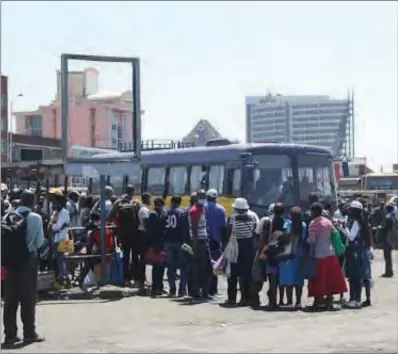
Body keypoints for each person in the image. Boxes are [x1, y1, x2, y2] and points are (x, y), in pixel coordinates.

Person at [3, 190, 45, 346]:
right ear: (33, 202)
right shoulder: (35, 218)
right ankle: (29, 333)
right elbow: (39, 242)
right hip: (27, 260)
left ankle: (10, 335)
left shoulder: (8, 216)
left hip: (9, 261)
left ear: (20, 201)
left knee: (10, 299)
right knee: (28, 298)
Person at [307, 202, 347, 310]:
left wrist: (305, 240)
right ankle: (329, 301)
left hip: (319, 255)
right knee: (330, 279)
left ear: (314, 211)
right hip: (331, 254)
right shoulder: (328, 222)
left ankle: (319, 302)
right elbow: (335, 234)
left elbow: (312, 240)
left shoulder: (313, 223)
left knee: (319, 279)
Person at [225, 198, 257, 306]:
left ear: (236, 208)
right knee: (246, 274)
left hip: (235, 247)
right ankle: (246, 298)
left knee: (233, 274)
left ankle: (232, 298)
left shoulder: (232, 218)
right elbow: (254, 232)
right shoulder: (252, 217)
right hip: (248, 247)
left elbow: (228, 232)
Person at [279, 206, 307, 309]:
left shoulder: (288, 224)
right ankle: (298, 302)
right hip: (299, 253)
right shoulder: (303, 225)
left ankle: (289, 302)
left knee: (288, 279)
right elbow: (304, 238)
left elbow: (285, 237)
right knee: (298, 279)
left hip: (288, 254)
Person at [187, 189, 212, 300]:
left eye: (205, 196)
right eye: (202, 196)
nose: (204, 199)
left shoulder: (202, 209)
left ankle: (203, 292)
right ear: (197, 198)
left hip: (203, 241)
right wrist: (194, 248)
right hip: (198, 243)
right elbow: (194, 229)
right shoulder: (194, 211)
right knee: (199, 269)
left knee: (206, 269)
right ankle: (197, 292)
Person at [204, 189, 227, 296]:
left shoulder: (203, 208)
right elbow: (224, 227)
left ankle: (204, 288)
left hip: (204, 240)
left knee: (203, 265)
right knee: (215, 266)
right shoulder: (221, 209)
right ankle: (213, 289)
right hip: (216, 241)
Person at [165, 196, 188, 297]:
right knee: (183, 266)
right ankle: (182, 290)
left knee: (170, 267)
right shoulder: (181, 213)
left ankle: (172, 289)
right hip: (180, 242)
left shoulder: (166, 212)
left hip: (168, 242)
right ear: (179, 203)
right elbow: (185, 228)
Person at [50, 193, 71, 290]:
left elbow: (57, 227)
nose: (53, 204)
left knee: (61, 261)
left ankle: (63, 280)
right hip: (56, 239)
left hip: (62, 239)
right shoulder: (55, 213)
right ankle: (66, 280)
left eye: (55, 202)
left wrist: (52, 226)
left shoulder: (64, 212)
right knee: (59, 261)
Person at [147, 198, 167, 297]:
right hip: (159, 244)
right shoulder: (159, 214)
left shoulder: (154, 214)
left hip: (158, 244)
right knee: (158, 267)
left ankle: (158, 287)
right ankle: (156, 288)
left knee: (159, 267)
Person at [135, 192, 151, 292]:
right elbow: (146, 224)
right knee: (143, 258)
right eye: (150, 199)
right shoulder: (144, 210)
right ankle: (141, 280)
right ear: (146, 199)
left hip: (142, 234)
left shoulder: (143, 209)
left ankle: (142, 279)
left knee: (143, 258)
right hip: (143, 235)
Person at [378, 203, 396, 278]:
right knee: (388, 256)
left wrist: (379, 228)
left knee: (387, 256)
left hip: (387, 238)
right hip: (391, 238)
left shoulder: (387, 217)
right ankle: (389, 271)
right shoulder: (393, 216)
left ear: (387, 209)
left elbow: (385, 228)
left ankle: (388, 272)